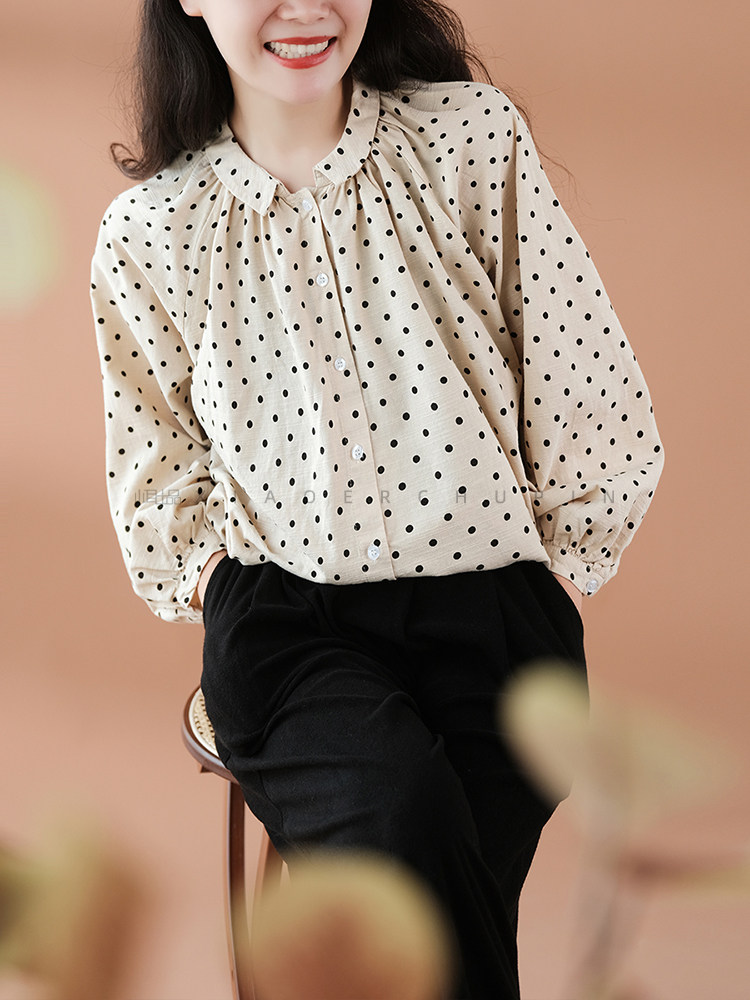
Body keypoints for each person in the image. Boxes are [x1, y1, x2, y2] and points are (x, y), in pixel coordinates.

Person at [89, 1, 665, 996]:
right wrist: (218, 580)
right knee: (401, 815)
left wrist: (562, 562)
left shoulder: (470, 140)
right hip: (290, 633)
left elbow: (580, 372)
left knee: (436, 905)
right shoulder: (152, 231)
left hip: (493, 615)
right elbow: (156, 468)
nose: (305, 6)